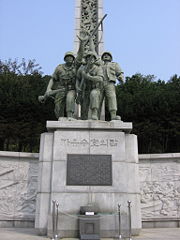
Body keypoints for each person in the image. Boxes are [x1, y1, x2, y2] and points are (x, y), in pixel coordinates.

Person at [38, 30, 88, 119]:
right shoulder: (59, 67)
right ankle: (60, 118)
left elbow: (80, 55)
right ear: (65, 59)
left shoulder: (75, 66)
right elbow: (53, 79)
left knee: (70, 99)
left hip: (71, 89)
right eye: (67, 57)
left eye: (71, 57)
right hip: (60, 89)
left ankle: (70, 116)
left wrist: (82, 43)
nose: (69, 58)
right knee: (58, 107)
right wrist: (48, 89)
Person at [76, 51, 104, 120]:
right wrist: (77, 87)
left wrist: (89, 77)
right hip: (85, 90)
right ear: (86, 59)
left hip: (95, 89)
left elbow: (100, 79)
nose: (90, 60)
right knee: (84, 107)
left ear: (94, 60)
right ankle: (84, 117)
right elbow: (78, 79)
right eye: (88, 58)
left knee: (94, 94)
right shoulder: (82, 68)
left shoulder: (98, 68)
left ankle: (94, 113)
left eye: (92, 58)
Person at [100, 51, 124, 120]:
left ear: (111, 57)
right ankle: (97, 116)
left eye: (108, 55)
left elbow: (120, 72)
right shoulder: (99, 65)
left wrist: (121, 77)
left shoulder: (114, 64)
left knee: (112, 98)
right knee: (98, 99)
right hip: (100, 84)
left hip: (110, 83)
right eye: (104, 55)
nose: (106, 56)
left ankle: (113, 115)